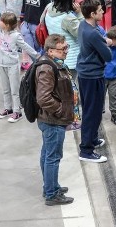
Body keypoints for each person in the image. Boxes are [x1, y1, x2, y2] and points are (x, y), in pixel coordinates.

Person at [35, 33, 76, 205]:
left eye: (66, 47)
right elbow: (43, 98)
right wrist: (61, 110)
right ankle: (52, 194)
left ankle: (50, 186)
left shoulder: (54, 64)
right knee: (52, 156)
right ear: (51, 51)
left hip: (51, 119)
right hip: (52, 120)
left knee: (47, 154)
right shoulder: (47, 68)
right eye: (63, 49)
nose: (66, 51)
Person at [76, 0, 113, 163]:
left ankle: (91, 139)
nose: (103, 12)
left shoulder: (85, 25)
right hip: (92, 76)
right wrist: (107, 44)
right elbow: (108, 56)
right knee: (92, 112)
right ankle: (86, 150)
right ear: (92, 13)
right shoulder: (92, 33)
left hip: (85, 74)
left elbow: (99, 36)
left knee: (91, 109)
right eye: (100, 10)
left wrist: (104, 41)